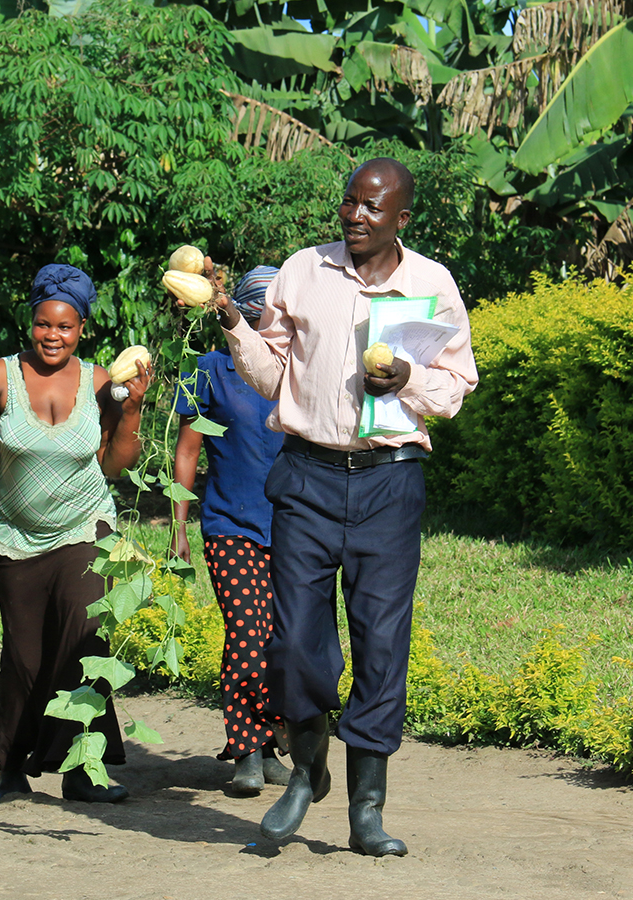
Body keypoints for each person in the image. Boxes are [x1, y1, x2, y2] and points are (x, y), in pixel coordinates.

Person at [199, 158, 478, 856]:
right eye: (348, 203)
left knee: (380, 647)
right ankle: (306, 771)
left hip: (389, 480)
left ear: (401, 219)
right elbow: (270, 377)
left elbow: (454, 389)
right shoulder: (302, 271)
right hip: (306, 477)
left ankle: (367, 811)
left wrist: (409, 375)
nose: (354, 216)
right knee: (294, 640)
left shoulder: (431, 285)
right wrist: (231, 318)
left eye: (371, 208)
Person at [0, 264, 150, 803]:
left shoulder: (99, 381)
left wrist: (131, 407)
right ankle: (12, 762)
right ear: (31, 323)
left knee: (84, 643)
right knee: (26, 656)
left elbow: (115, 463)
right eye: (44, 325)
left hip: (85, 528)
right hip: (16, 536)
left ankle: (82, 770)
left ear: (82, 329)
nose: (53, 336)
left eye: (65, 327)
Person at [170, 265, 291, 796]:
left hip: (296, 528)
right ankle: (244, 749)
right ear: (240, 311)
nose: (271, 321)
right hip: (231, 526)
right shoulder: (210, 371)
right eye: (261, 309)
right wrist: (178, 529)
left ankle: (272, 746)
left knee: (288, 642)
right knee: (247, 634)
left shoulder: (300, 369)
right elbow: (188, 452)